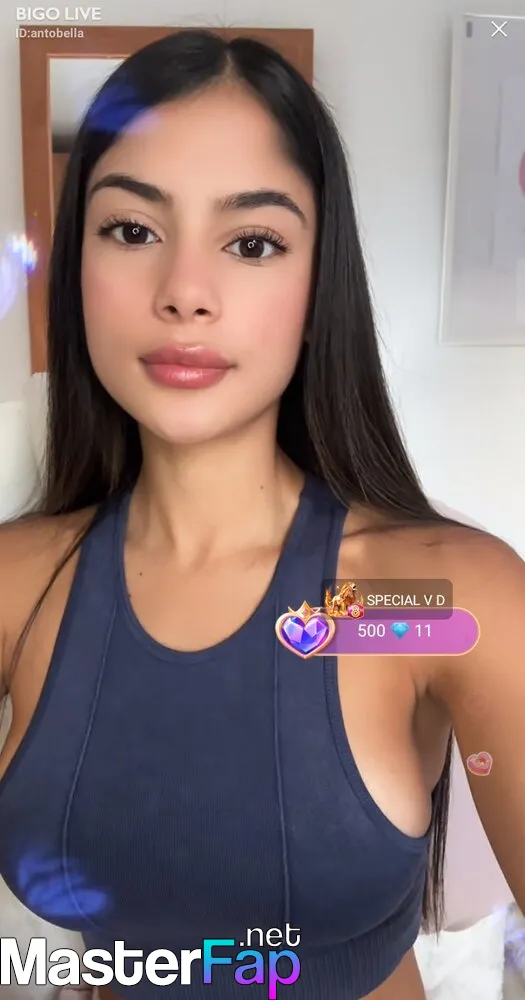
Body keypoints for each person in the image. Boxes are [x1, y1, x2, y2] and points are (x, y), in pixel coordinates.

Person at [0, 29, 523, 1000]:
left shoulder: (423, 600)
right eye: (132, 230)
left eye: (252, 243)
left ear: (319, 288)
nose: (184, 294)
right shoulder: (18, 584)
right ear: (76, 274)